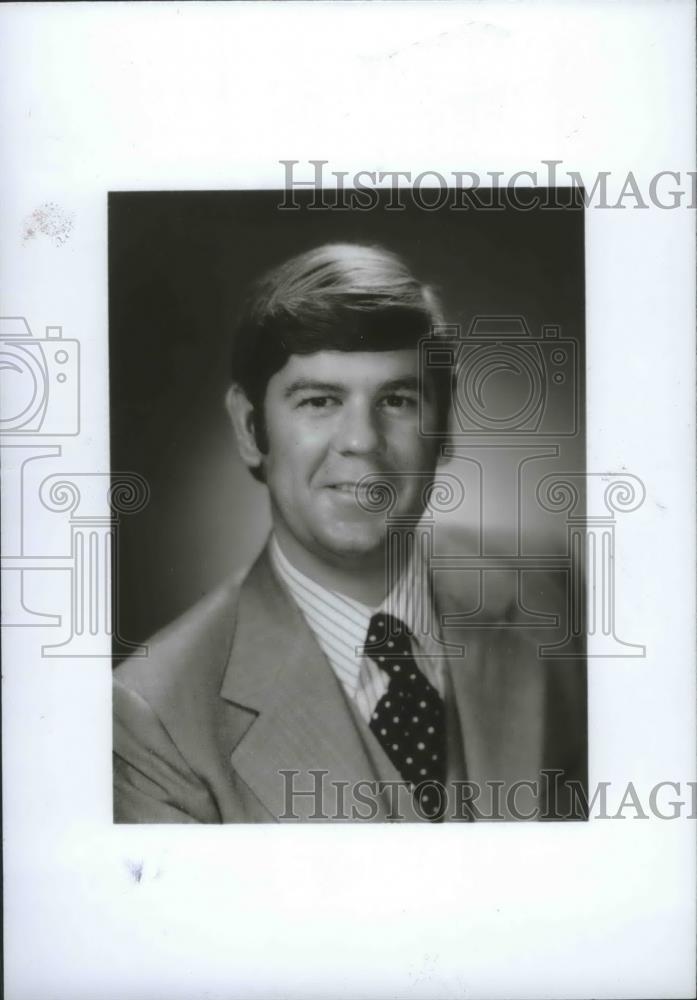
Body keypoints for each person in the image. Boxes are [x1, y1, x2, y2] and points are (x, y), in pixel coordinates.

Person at [113, 242, 586, 823]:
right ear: (248, 427)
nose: (361, 440)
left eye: (397, 399)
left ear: (445, 424)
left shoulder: (555, 592)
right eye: (319, 400)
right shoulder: (152, 719)